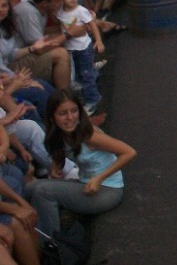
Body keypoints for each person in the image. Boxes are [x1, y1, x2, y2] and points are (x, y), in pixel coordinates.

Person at [25, 89, 136, 237]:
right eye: (63, 113)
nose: (70, 118)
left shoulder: (89, 135)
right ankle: (31, 229)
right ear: (52, 118)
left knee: (43, 191)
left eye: (74, 111)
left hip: (108, 190)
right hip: (84, 183)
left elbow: (129, 152)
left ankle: (50, 242)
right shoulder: (62, 135)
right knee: (30, 187)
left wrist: (99, 178)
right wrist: (55, 166)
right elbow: (62, 152)